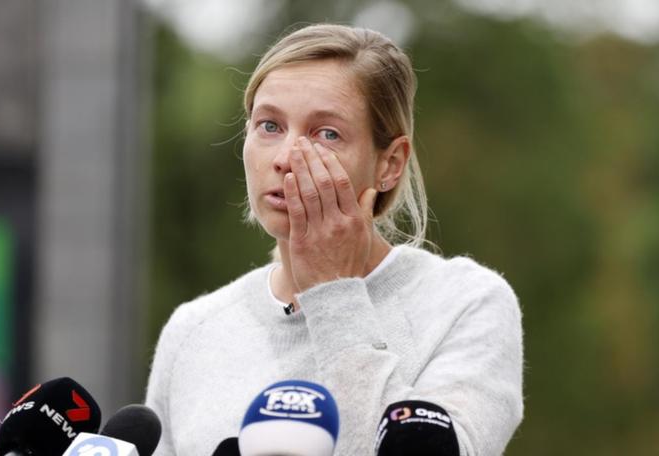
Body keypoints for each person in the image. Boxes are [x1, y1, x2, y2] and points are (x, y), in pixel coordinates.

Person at [144, 23, 523, 455]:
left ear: (390, 164)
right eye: (269, 125)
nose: (286, 158)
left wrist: (333, 293)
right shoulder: (194, 330)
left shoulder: (465, 304)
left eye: (327, 134)